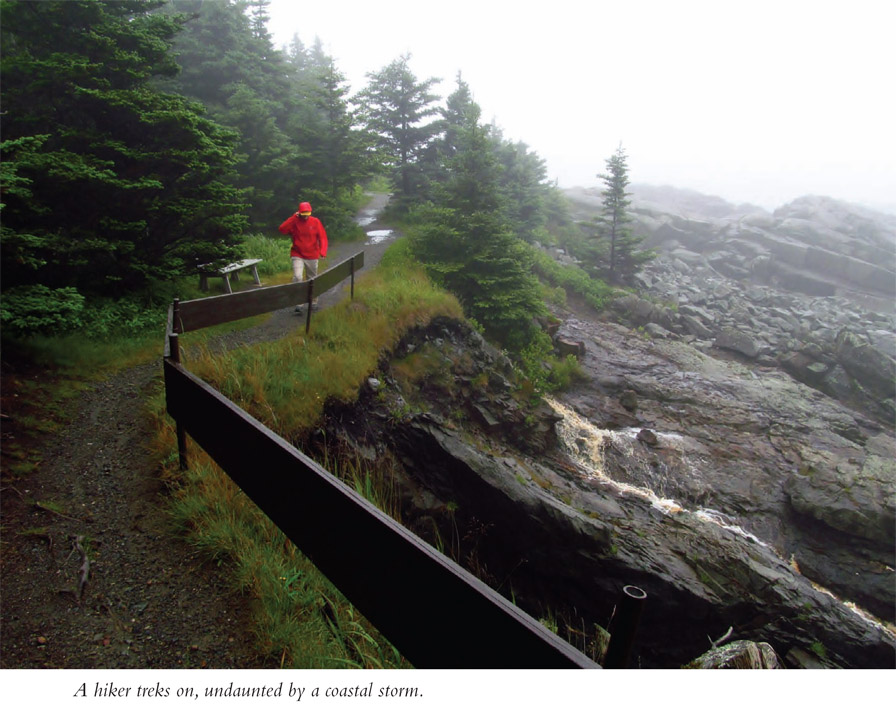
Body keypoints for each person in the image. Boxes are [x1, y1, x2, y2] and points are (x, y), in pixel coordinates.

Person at [279, 201, 328, 312]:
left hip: (312, 254)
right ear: (299, 213)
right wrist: (293, 218)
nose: (306, 217)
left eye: (308, 214)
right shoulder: (294, 221)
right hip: (298, 254)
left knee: (312, 278)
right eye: (303, 214)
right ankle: (298, 303)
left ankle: (313, 302)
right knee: (297, 277)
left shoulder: (315, 221)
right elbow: (282, 229)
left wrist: (323, 251)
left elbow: (323, 237)